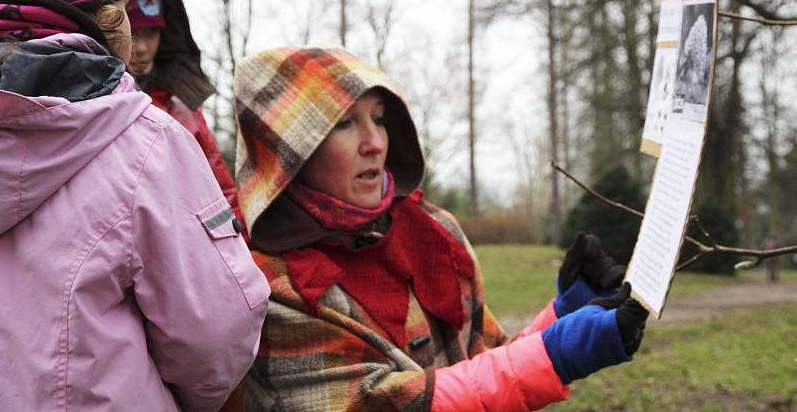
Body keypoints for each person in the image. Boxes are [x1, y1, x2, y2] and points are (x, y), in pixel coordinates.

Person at [227, 46, 648, 410]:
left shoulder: (432, 233)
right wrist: (556, 354)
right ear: (288, 154)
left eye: (378, 118)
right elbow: (389, 403)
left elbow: (483, 362)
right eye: (344, 123)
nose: (375, 142)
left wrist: (562, 317)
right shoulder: (269, 288)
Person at [0, 0, 269, 410]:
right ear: (88, 20)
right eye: (120, 13)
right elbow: (217, 339)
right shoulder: (147, 144)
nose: (137, 42)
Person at [123, 0, 247, 237]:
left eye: (150, 32)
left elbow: (220, 189)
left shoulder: (181, 104)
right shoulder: (95, 101)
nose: (140, 47)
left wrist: (239, 245)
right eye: (132, 31)